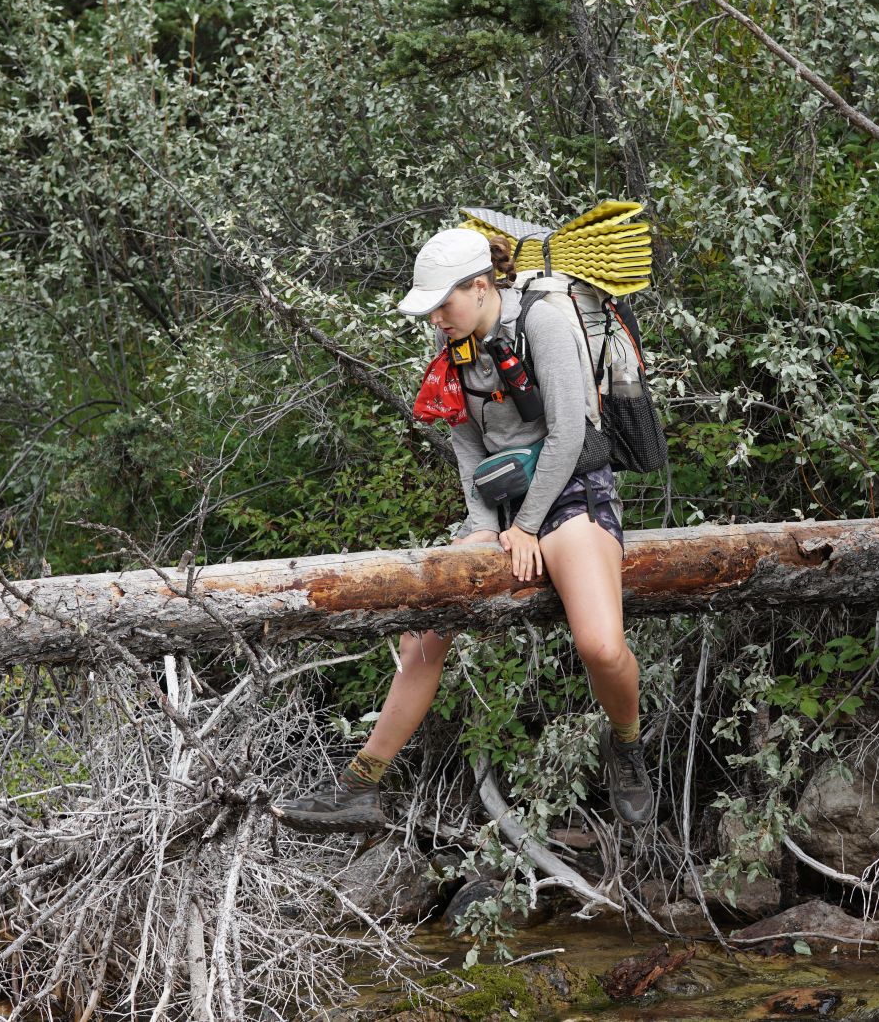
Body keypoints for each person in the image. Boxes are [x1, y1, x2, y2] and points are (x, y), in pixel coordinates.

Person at [275, 227, 652, 834]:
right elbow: (470, 452)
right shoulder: (455, 347)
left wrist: (528, 526)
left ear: (480, 287)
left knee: (601, 647)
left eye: (443, 304)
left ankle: (627, 743)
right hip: (503, 510)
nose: (436, 319)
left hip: (572, 493)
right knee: (424, 631)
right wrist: (483, 529)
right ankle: (360, 784)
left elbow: (569, 435)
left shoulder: (544, 323)